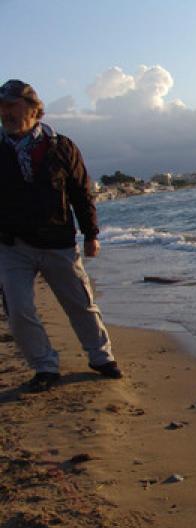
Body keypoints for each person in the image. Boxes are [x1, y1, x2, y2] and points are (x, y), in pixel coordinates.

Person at [0, 79, 122, 391]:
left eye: (11, 106)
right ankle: (44, 366)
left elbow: (82, 192)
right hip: (12, 244)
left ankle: (100, 356)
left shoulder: (60, 146)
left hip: (58, 241)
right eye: (1, 108)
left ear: (32, 108)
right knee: (18, 309)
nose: (5, 113)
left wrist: (91, 233)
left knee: (80, 303)